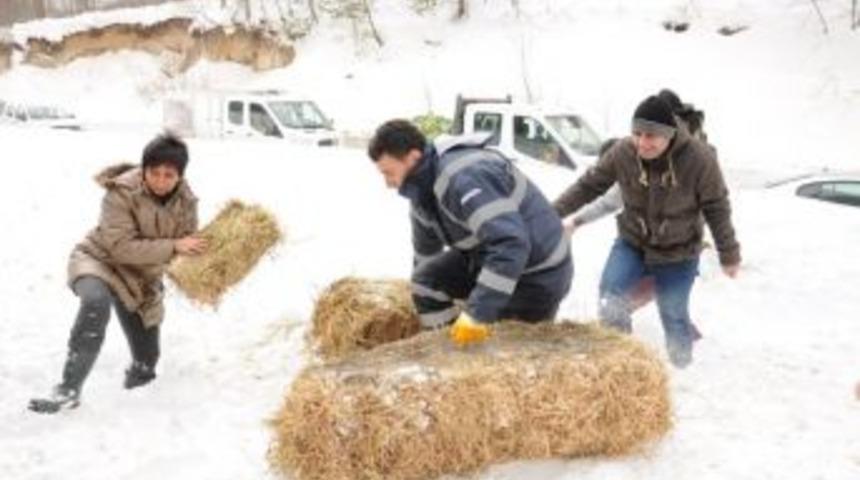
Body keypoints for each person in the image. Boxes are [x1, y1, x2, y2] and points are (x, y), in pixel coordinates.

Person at [553, 95, 740, 367]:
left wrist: (728, 252)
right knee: (610, 296)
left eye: (651, 136)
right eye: (637, 134)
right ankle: (622, 363)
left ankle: (682, 365)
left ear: (669, 134)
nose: (642, 142)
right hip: (633, 242)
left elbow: (717, 206)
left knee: (673, 314)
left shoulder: (699, 159)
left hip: (679, 251)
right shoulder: (624, 152)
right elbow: (589, 185)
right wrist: (551, 213)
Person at [29, 133, 206, 414]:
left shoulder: (186, 202)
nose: (160, 181)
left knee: (147, 362)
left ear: (180, 177)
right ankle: (68, 389)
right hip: (100, 261)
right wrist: (173, 246)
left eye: (169, 175)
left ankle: (138, 390)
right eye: (154, 173)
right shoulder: (121, 192)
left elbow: (188, 245)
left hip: (141, 278)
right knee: (95, 302)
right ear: (144, 169)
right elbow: (121, 248)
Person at [367, 120, 572, 345]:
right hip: (489, 255)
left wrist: (477, 313)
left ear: (413, 157)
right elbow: (426, 257)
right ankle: (446, 350)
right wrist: (418, 301)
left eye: (389, 173)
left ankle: (470, 352)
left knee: (500, 345)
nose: (388, 183)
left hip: (539, 271)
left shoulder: (464, 177)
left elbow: (510, 244)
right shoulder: (421, 193)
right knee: (426, 281)